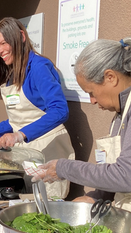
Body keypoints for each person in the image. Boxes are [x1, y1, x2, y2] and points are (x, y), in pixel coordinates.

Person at [0, 17, 74, 198]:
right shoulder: (13, 73)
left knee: (48, 209)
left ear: (21, 37)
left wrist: (19, 135)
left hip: (49, 150)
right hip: (28, 154)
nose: (0, 51)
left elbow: (60, 110)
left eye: (3, 43)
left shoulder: (39, 67)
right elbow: (19, 119)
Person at [31, 37, 131, 209]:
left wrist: (65, 168)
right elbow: (114, 175)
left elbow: (126, 175)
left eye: (91, 92)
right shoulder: (120, 113)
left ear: (110, 77)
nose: (91, 101)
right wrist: (96, 196)